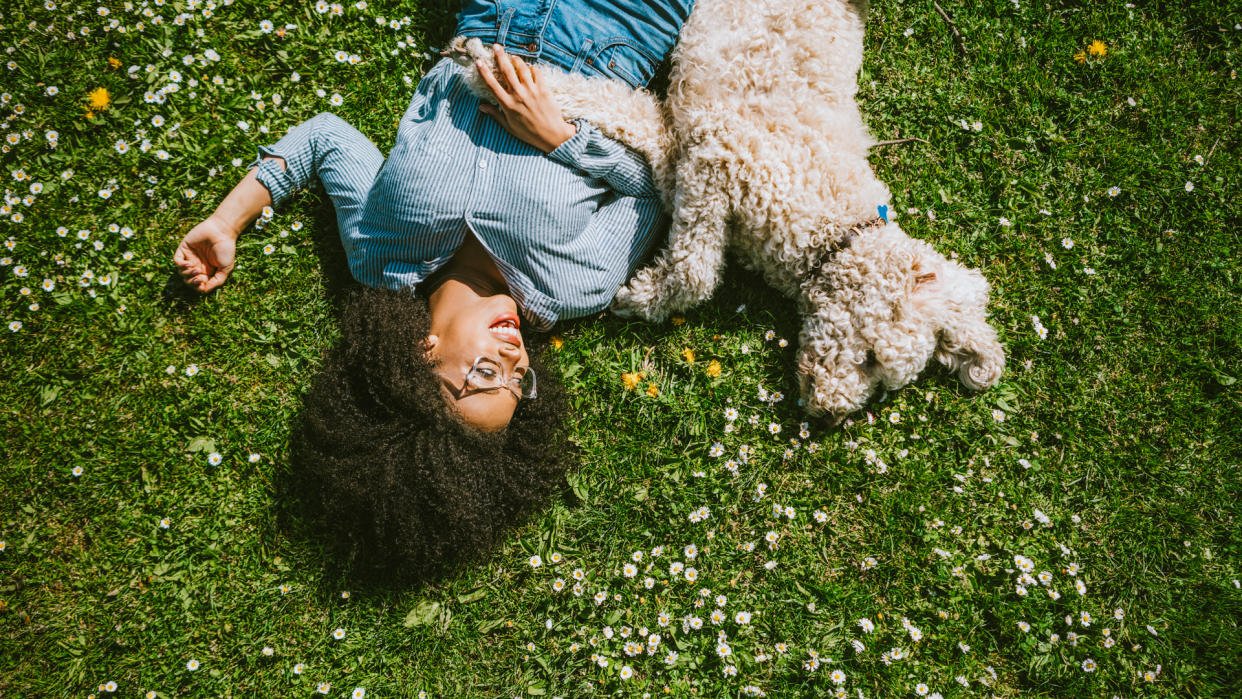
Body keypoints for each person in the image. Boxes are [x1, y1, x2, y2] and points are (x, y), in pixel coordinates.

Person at [172, 0, 694, 577]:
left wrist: (226, 222)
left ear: (420, 361)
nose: (514, 358)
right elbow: (653, 191)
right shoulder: (572, 287)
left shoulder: (379, 255)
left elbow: (326, 141)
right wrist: (560, 137)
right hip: (618, 30)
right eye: (521, 381)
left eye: (486, 375)